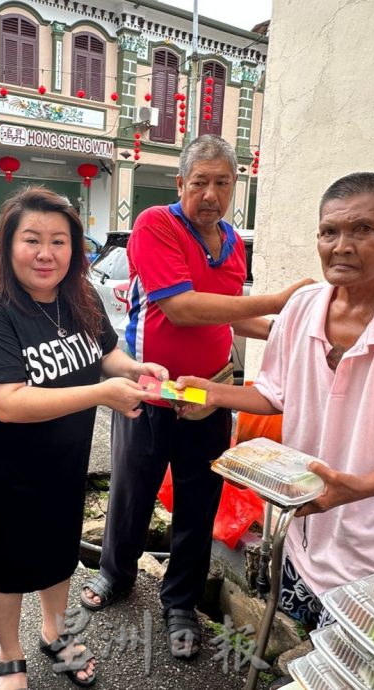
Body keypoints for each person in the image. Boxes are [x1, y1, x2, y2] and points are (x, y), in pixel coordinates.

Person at [176, 172, 374, 629]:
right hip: (304, 535)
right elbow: (275, 394)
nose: (341, 245)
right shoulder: (302, 308)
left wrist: (354, 490)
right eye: (329, 232)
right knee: (304, 647)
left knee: (355, 665)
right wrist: (207, 392)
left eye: (363, 230)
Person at [80, 134, 309, 658]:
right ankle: (116, 574)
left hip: (212, 393)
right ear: (180, 183)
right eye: (199, 182)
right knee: (132, 492)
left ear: (235, 188)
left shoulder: (230, 242)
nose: (210, 193)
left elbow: (231, 311)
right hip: (149, 390)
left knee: (198, 502)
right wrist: (276, 298)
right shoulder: (156, 224)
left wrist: (284, 328)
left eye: (222, 183)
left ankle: (180, 600)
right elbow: (181, 308)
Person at [0, 186, 165, 690]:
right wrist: (100, 394)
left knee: (56, 554)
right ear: (7, 246)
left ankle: (55, 632)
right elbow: (5, 402)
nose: (46, 254)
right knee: (3, 566)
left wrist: (135, 369)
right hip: (2, 469)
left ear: (75, 249)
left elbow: (105, 354)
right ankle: (10, 654)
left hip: (62, 463)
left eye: (59, 241)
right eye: (32, 240)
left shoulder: (80, 296)